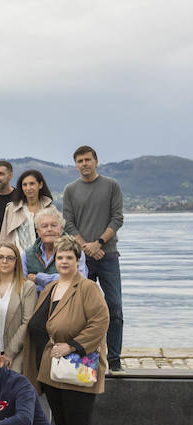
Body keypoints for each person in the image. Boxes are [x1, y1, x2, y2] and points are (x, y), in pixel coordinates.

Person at [30, 235, 109, 425]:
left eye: (69, 258)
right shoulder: (52, 287)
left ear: (78, 260)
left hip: (78, 361)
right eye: (60, 257)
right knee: (61, 415)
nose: (64, 262)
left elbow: (100, 322)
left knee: (78, 415)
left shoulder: (88, 288)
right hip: (52, 362)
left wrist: (73, 346)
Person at [63, 145, 125, 372]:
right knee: (79, 310)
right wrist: (87, 247)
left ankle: (115, 360)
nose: (84, 164)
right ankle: (83, 357)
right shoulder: (70, 190)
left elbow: (117, 218)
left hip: (107, 255)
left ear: (96, 161)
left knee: (114, 306)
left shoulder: (111, 186)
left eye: (87, 160)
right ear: (76, 164)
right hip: (82, 259)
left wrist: (99, 243)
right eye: (79, 161)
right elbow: (68, 223)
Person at [0, 242, 38, 369]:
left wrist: (10, 352)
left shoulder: (27, 287)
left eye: (10, 258)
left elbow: (27, 322)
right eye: (0, 257)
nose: (4, 261)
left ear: (17, 261)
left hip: (15, 353)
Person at [25, 208, 89, 291]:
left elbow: (78, 281)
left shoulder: (76, 250)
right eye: (44, 226)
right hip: (35, 302)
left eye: (54, 225)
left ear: (61, 229)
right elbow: (23, 284)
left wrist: (39, 278)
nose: (49, 229)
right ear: (38, 231)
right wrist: (60, 280)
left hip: (67, 300)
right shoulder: (27, 254)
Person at [0, 169, 57, 253]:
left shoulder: (51, 209)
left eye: (32, 184)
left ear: (40, 185)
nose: (28, 188)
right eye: (25, 185)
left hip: (45, 258)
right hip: (19, 259)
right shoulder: (12, 209)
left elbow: (57, 236)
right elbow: (4, 237)